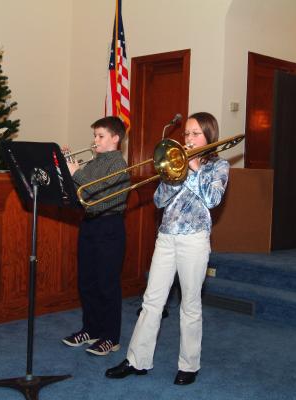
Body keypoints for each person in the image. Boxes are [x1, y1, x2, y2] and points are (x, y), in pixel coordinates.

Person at [105, 112, 230, 384]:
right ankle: (137, 360)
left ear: (209, 135)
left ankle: (189, 365)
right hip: (166, 237)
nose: (188, 138)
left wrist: (195, 170)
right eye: (186, 133)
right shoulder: (175, 161)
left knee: (190, 304)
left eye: (195, 133)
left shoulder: (218, 167)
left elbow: (212, 199)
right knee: (151, 301)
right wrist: (173, 174)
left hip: (194, 240)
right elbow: (159, 201)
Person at [61, 116, 130, 356]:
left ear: (115, 138)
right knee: (87, 282)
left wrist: (76, 172)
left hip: (109, 226)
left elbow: (99, 194)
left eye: (100, 136)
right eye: (95, 136)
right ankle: (91, 329)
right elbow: (80, 192)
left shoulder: (119, 165)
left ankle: (111, 337)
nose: (95, 140)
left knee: (106, 284)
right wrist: (67, 168)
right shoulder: (93, 163)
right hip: (89, 225)